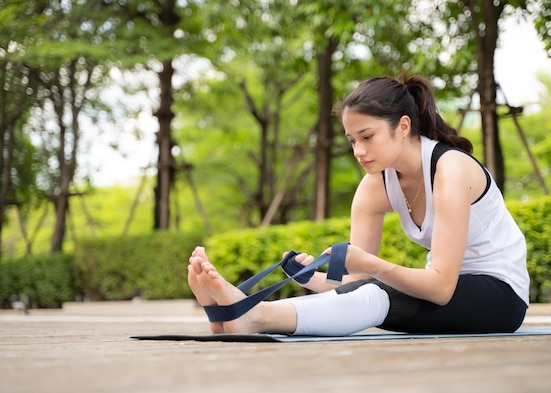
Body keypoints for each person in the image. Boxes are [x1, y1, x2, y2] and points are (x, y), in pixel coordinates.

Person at [188, 74, 530, 336]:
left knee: (377, 295)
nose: (358, 151)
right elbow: (357, 281)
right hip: (446, 292)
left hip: (500, 296)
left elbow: (440, 287)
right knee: (372, 294)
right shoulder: (373, 187)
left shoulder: (450, 168)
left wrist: (370, 264)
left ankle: (253, 316)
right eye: (353, 141)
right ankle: (243, 314)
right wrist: (313, 279)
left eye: (367, 137)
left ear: (403, 127)